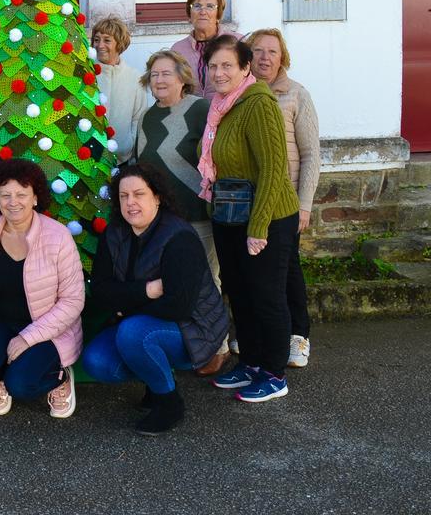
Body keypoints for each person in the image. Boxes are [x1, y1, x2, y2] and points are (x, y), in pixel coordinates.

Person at [82, 165, 229, 435]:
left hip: (194, 328)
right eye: (124, 196)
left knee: (132, 333)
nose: (131, 202)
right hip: (147, 321)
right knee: (97, 361)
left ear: (157, 197)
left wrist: (125, 310)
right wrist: (146, 291)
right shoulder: (114, 233)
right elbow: (100, 291)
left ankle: (169, 404)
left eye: (139, 194)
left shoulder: (179, 237)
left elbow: (178, 305)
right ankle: (155, 377)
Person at [197, 35, 301, 403]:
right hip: (230, 214)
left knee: (266, 296)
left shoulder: (258, 104)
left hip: (267, 216)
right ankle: (253, 362)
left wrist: (259, 228)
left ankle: (274, 372)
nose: (219, 72)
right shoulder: (222, 107)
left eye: (227, 65)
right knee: (240, 293)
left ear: (244, 68)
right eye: (213, 66)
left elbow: (275, 169)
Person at [0, 159, 84, 419]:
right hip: (3, 319)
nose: (13, 202)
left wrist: (27, 337)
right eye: (6, 195)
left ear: (35, 198)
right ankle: (1, 376)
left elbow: (73, 301)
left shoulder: (58, 237)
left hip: (48, 327)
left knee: (22, 386)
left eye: (21, 194)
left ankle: (60, 378)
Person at [133, 49, 229, 375]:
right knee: (172, 284)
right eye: (154, 74)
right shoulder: (147, 117)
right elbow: (141, 164)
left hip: (196, 213)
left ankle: (218, 347)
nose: (159, 80)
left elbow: (215, 155)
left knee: (206, 280)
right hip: (162, 221)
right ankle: (186, 346)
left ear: (182, 77)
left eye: (166, 73)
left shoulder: (200, 109)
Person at [246, 28, 320, 369]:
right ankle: (258, 334)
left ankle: (298, 336)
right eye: (258, 50)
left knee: (286, 270)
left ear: (282, 57)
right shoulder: (239, 94)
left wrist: (304, 204)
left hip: (286, 203)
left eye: (272, 52)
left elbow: (310, 154)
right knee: (253, 271)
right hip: (251, 200)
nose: (264, 57)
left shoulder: (296, 95)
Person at [91, 16, 149, 160]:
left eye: (107, 40)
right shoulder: (86, 74)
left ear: (120, 44)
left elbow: (139, 117)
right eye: (96, 39)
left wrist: (130, 146)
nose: (100, 45)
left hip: (123, 159)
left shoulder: (135, 78)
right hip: (89, 159)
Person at [171, 0, 242, 97]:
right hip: (192, 112)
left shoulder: (237, 42)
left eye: (210, 6)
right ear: (190, 15)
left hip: (230, 110)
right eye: (197, 6)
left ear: (218, 14)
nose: (203, 12)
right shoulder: (178, 49)